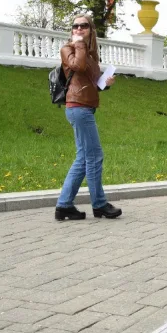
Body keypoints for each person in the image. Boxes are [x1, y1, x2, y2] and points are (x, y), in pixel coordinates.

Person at [55, 15, 121, 221]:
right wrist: (79, 44)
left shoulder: (91, 55)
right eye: (75, 26)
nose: (79, 28)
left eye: (84, 26)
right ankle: (100, 205)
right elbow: (78, 67)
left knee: (84, 158)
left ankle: (64, 206)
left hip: (86, 107)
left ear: (91, 29)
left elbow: (91, 82)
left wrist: (105, 83)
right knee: (94, 156)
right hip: (78, 108)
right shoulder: (68, 49)